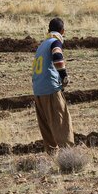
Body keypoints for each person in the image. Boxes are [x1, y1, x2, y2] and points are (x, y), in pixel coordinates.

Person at [32, 17, 75, 155]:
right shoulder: (55, 42)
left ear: (48, 30)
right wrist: (64, 75)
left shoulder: (41, 45)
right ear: (62, 31)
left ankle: (52, 157)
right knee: (61, 122)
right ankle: (68, 157)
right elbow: (57, 56)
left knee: (47, 128)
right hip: (50, 89)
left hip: (38, 91)